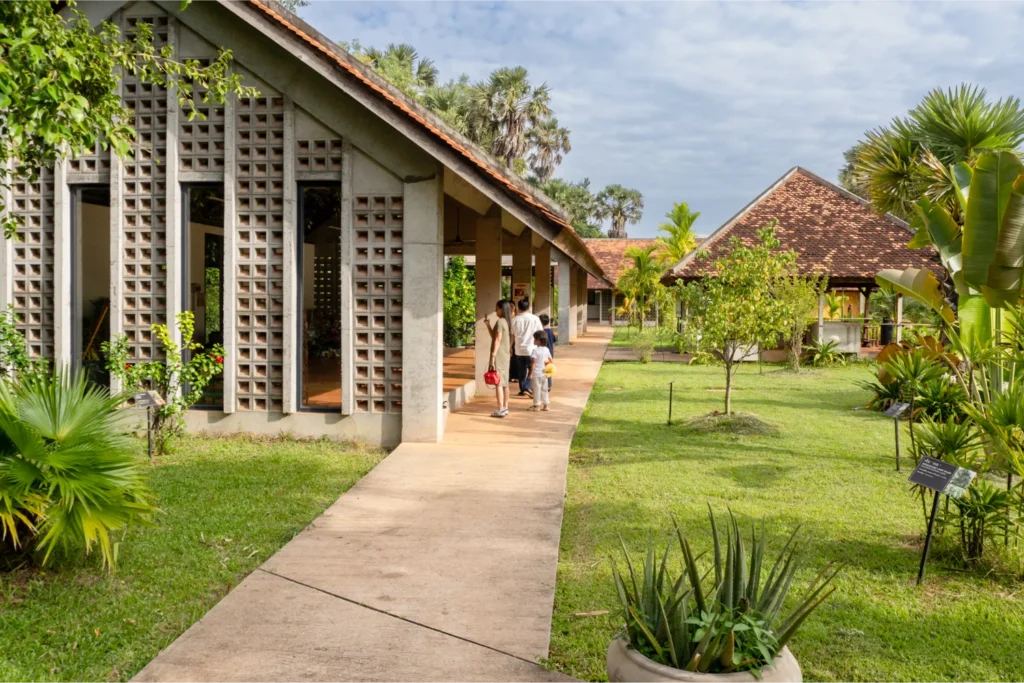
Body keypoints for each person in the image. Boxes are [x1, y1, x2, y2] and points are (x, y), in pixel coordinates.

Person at [484, 299, 512, 418]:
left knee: (498, 382)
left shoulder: (500, 322)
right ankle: (505, 407)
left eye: (497, 308)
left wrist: (493, 356)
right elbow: (494, 336)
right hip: (505, 355)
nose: (496, 311)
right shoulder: (506, 322)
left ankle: (500, 409)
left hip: (499, 355)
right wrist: (488, 326)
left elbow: (497, 339)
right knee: (505, 383)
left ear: (502, 309)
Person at [510, 298, 543, 396]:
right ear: (528, 307)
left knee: (521, 370)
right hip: (532, 349)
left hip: (519, 349)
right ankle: (527, 387)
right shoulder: (535, 319)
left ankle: (523, 388)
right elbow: (540, 333)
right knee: (532, 369)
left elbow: (512, 335)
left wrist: (510, 346)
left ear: (518, 307)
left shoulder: (514, 320)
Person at [528, 330, 552, 411]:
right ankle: (546, 405)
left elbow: (533, 363)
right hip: (544, 373)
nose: (533, 340)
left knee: (536, 390)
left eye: (535, 339)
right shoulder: (546, 349)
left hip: (536, 374)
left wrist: (530, 374)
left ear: (539, 340)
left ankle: (537, 405)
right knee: (544, 389)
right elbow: (550, 360)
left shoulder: (535, 350)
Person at [539, 313, 556, 391]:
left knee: (541, 369)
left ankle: (542, 384)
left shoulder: (540, 332)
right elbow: (553, 342)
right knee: (548, 368)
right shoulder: (550, 331)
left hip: (542, 353)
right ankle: (549, 385)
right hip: (550, 353)